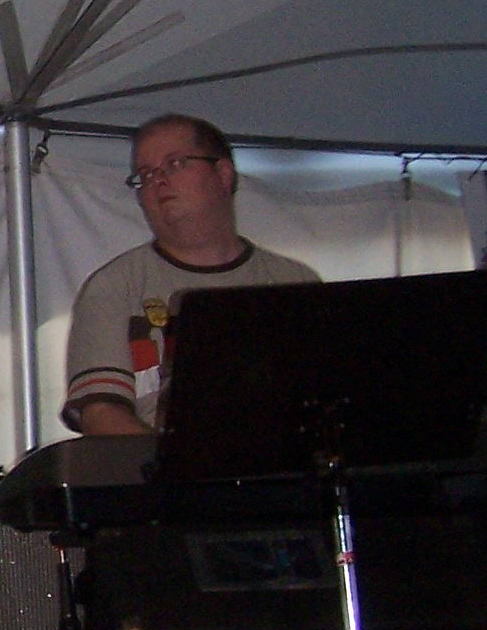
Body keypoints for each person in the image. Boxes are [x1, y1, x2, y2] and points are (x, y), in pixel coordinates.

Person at [62, 112, 319, 436]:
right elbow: (101, 414)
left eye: (175, 163)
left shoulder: (295, 283)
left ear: (223, 174)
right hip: (161, 467)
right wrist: (176, 463)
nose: (158, 180)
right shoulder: (114, 288)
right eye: (145, 173)